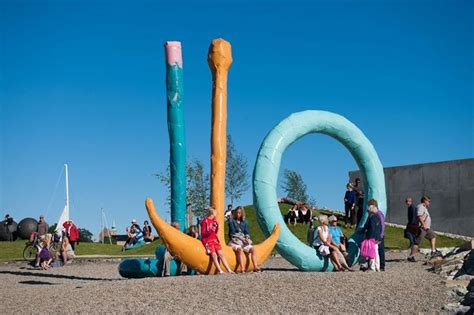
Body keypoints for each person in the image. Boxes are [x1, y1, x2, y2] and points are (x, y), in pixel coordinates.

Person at [200, 207, 234, 274]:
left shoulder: (214, 221)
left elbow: (215, 232)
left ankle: (229, 269)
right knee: (214, 255)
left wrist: (217, 227)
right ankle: (220, 270)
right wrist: (211, 230)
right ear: (212, 213)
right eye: (215, 213)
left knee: (221, 254)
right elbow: (203, 233)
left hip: (215, 240)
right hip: (208, 241)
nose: (216, 214)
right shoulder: (205, 221)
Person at [228, 206, 261, 273]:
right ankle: (242, 268)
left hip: (243, 240)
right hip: (235, 240)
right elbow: (232, 233)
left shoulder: (245, 222)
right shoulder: (231, 221)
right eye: (237, 213)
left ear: (242, 213)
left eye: (239, 213)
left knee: (253, 249)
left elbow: (246, 232)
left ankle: (255, 266)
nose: (238, 214)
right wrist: (241, 238)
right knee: (240, 250)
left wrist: (247, 237)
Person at [363, 205, 382, 272]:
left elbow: (371, 228)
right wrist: (379, 238)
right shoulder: (378, 218)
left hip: (371, 237)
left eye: (368, 211)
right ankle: (377, 267)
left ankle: (372, 267)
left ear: (370, 211)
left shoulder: (371, 218)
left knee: (372, 253)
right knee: (376, 253)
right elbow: (380, 229)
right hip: (377, 237)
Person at [368, 199, 386, 271]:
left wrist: (381, 235)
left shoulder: (378, 213)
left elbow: (382, 224)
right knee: (376, 251)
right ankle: (377, 266)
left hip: (378, 235)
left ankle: (381, 266)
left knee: (379, 250)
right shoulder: (374, 213)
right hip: (379, 234)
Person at [405, 197, 420, 262]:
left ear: (410, 201)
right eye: (406, 201)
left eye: (408, 201)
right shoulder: (410, 207)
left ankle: (412, 255)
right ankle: (412, 256)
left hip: (413, 225)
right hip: (413, 224)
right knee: (413, 239)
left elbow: (413, 217)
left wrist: (411, 224)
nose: (407, 203)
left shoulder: (412, 207)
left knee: (412, 239)